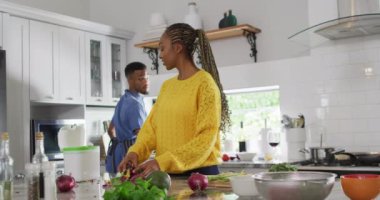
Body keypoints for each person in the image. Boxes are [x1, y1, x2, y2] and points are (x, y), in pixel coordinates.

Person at [118, 23, 231, 177]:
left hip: (200, 177)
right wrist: (135, 153)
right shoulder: (167, 87)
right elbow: (151, 129)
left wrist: (161, 162)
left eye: (163, 48)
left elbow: (205, 140)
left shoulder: (205, 84)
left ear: (178, 48)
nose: (160, 55)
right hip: (168, 174)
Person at [105, 62, 149, 173]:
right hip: (130, 157)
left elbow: (110, 130)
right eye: (141, 79)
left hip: (117, 154)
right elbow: (141, 136)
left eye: (147, 78)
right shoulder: (135, 104)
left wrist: (118, 143)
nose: (146, 82)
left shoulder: (123, 100)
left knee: (118, 188)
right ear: (130, 81)